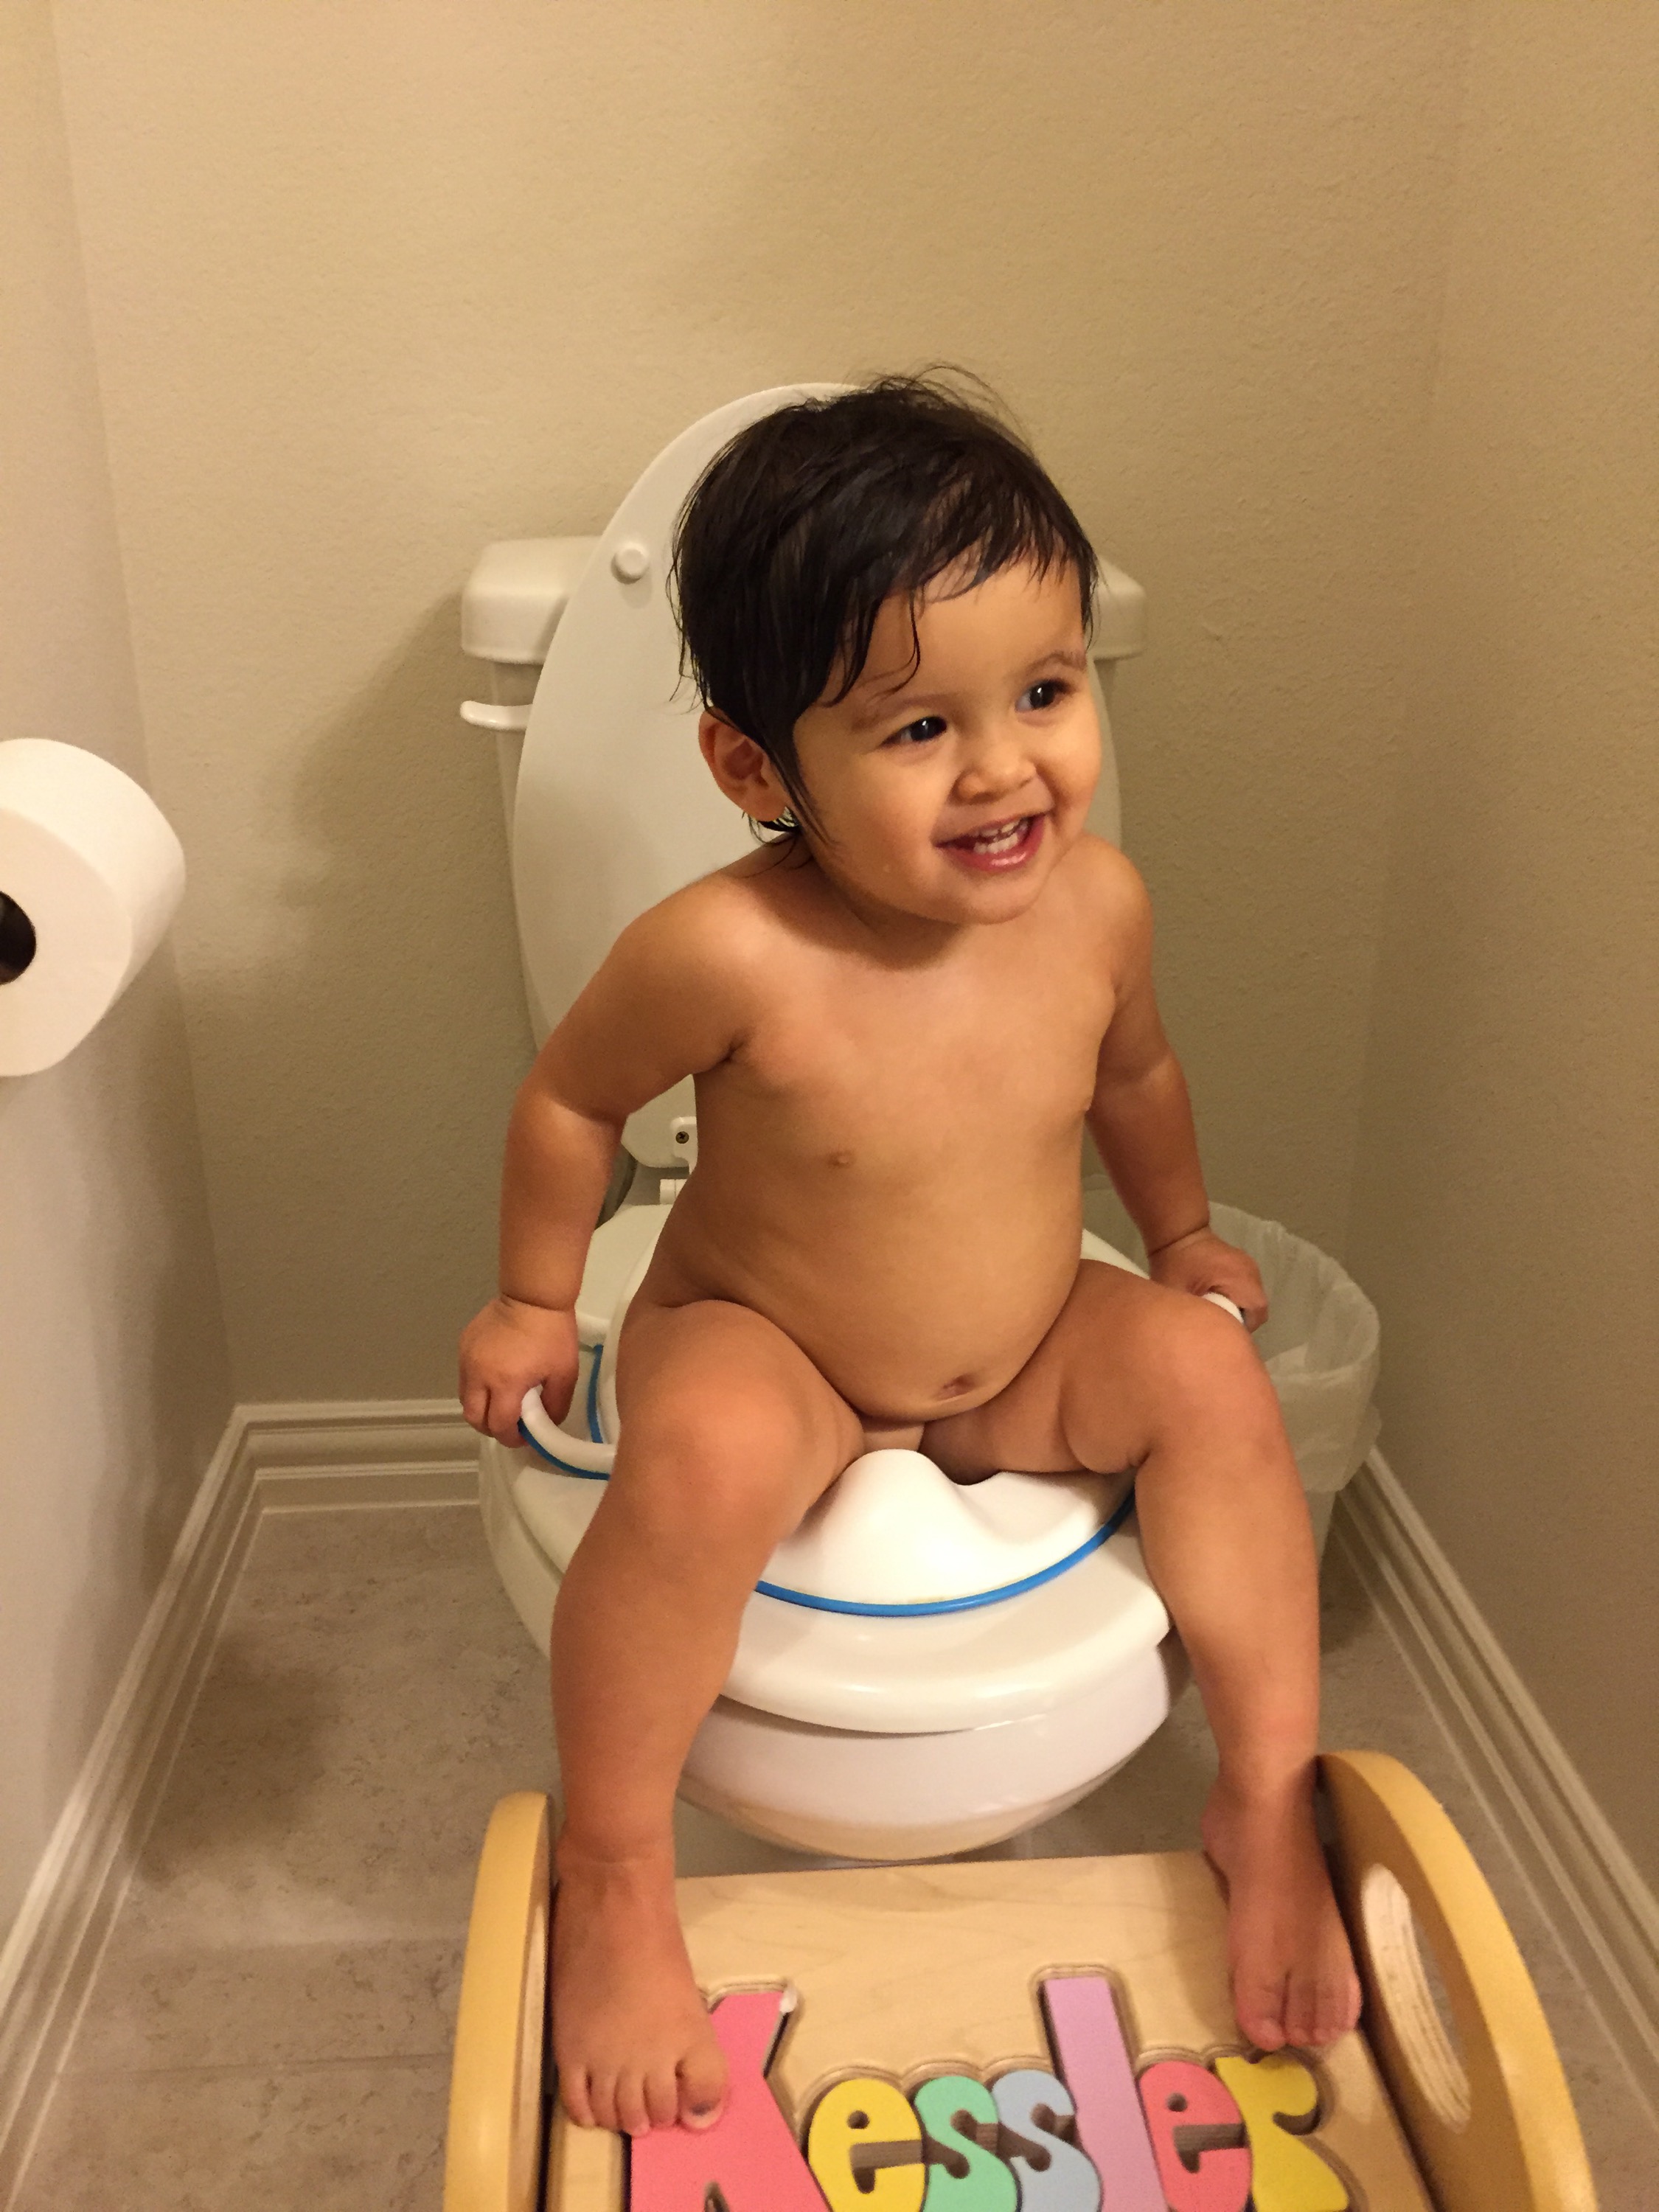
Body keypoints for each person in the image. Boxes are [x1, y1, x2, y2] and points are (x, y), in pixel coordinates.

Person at [459, 376, 1360, 2140]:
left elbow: (1136, 1079)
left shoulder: (1100, 907)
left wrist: (1179, 1234)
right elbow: (572, 1099)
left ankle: (1266, 1796)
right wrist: (534, 1300)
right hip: (771, 1339)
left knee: (1206, 1378)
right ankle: (620, 1870)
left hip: (1020, 1345)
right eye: (920, 726)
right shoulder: (724, 950)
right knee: (705, 1460)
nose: (1006, 765)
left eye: (1046, 691)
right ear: (754, 769)